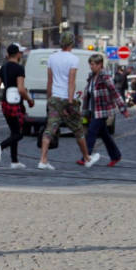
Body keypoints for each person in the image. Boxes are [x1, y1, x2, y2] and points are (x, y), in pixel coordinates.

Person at [38, 31, 100, 170]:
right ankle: (87, 158)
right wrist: (70, 102)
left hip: (54, 98)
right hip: (66, 99)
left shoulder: (52, 58)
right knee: (78, 129)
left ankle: (43, 160)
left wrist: (49, 99)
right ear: (72, 43)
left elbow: (50, 81)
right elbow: (71, 82)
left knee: (50, 129)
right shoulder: (73, 59)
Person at [0, 43, 34, 169]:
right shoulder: (19, 68)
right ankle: (0, 147)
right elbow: (21, 89)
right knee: (19, 134)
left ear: (8, 54)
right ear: (17, 54)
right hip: (15, 104)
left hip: (5, 103)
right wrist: (29, 100)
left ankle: (14, 161)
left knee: (14, 131)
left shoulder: (3, 68)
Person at [78, 54, 128, 167]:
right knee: (104, 135)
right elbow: (89, 95)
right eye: (90, 64)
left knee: (91, 132)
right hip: (93, 110)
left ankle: (86, 157)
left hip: (102, 111)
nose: (91, 66)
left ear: (100, 65)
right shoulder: (91, 77)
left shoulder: (105, 77)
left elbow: (115, 92)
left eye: (93, 64)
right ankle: (115, 156)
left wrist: (123, 108)